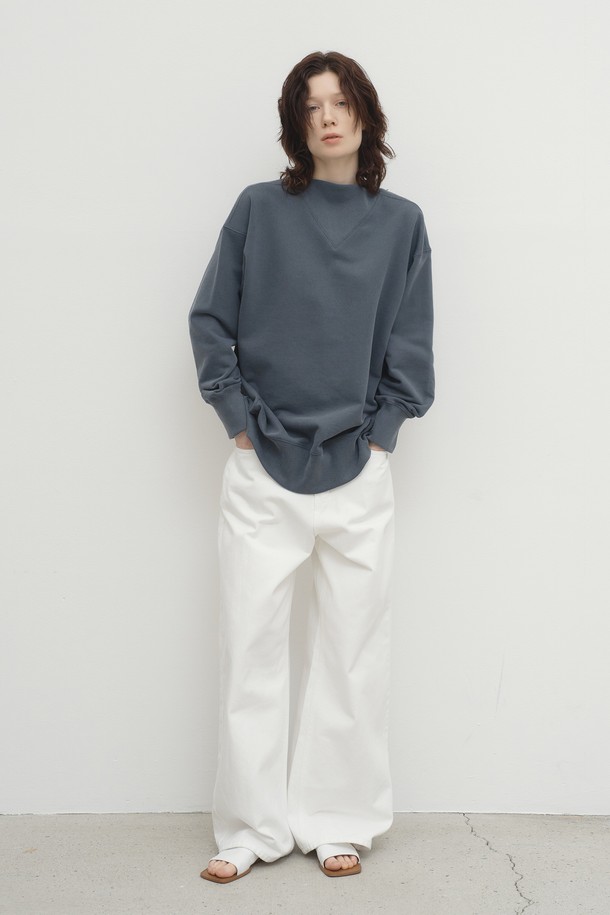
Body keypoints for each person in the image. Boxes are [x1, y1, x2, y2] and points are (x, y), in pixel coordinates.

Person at [188, 50, 435, 884]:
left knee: (353, 652)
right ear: (296, 123)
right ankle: (250, 828)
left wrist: (383, 435)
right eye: (311, 105)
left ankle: (339, 819)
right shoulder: (259, 209)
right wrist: (238, 422)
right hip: (262, 466)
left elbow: (411, 343)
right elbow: (210, 320)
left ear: (365, 114)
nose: (327, 117)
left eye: (341, 102)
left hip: (359, 468)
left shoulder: (401, 223)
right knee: (250, 648)